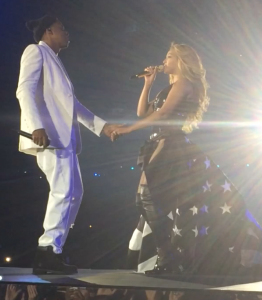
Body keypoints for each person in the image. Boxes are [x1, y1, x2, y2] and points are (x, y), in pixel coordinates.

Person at [112, 43, 262, 276]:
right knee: (143, 199)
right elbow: (144, 112)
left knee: (149, 197)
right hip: (156, 142)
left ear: (181, 61)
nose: (164, 60)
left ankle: (168, 257)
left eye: (169, 56)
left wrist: (128, 130)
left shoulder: (184, 84)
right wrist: (148, 84)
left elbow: (162, 115)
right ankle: (168, 255)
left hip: (170, 143)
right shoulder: (170, 86)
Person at [16, 15, 119, 275]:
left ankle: (55, 249)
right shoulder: (36, 51)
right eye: (63, 28)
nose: (67, 32)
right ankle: (47, 250)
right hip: (48, 136)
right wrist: (35, 126)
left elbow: (72, 105)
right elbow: (24, 90)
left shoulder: (55, 61)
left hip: (64, 139)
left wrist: (102, 126)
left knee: (75, 193)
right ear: (49, 32)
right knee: (63, 191)